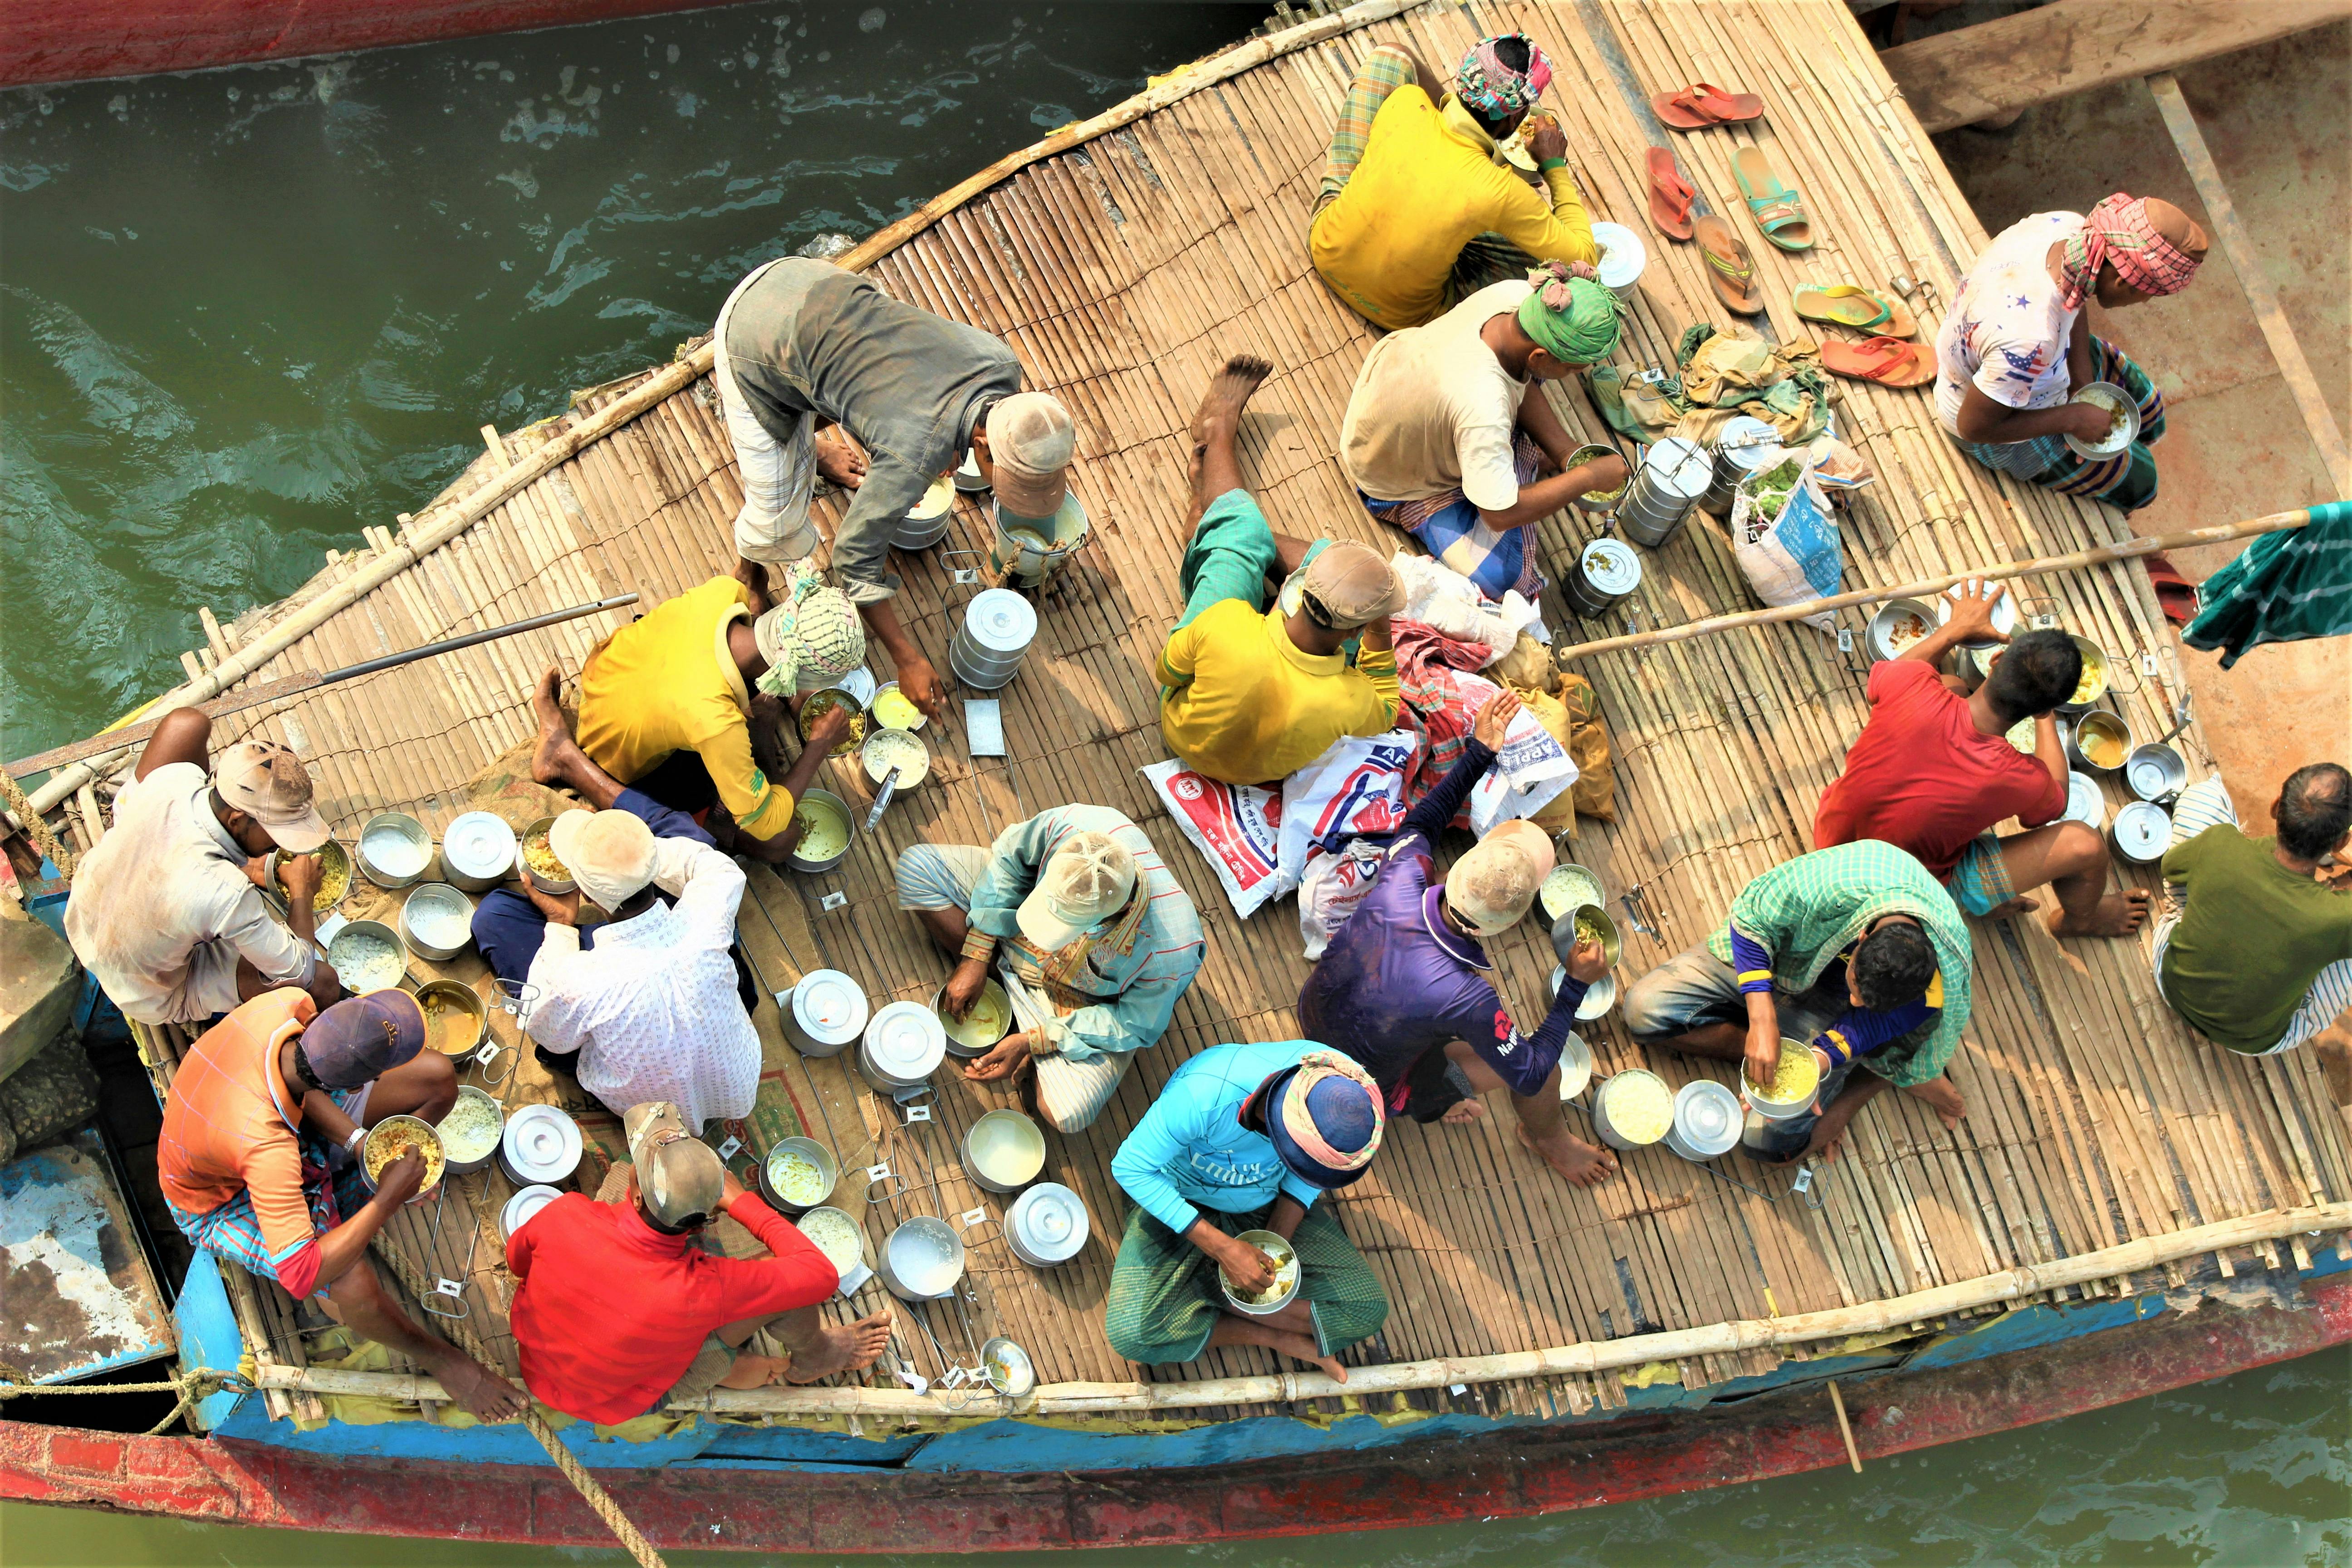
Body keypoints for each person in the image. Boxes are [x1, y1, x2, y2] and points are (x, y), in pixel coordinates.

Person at [711, 254, 1078, 721]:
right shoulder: (915, 454)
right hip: (754, 336)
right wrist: (906, 658)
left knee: (848, 386)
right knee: (777, 516)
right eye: (1010, 478)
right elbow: (852, 558)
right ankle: (751, 571)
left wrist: (947, 440)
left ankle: (811, 446)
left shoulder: (1001, 365)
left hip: (815, 283)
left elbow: (905, 388)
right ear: (983, 445)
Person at [156, 987, 524, 1422]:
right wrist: (388, 1199)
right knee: (351, 1283)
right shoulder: (267, 1148)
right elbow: (301, 1272)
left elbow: (302, 1085)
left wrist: (361, 1144)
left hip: (265, 1122)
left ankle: (351, 1188)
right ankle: (442, 1360)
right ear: (354, 1086)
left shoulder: (288, 1005)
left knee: (440, 1079)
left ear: (314, 1024)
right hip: (219, 1198)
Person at [1299, 690, 1617, 1187]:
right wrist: (1575, 985)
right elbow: (1530, 1072)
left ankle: (1436, 1085)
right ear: (1505, 926)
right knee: (1548, 1072)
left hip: (1314, 1012)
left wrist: (1481, 751)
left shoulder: (1404, 873)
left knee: (1438, 1016)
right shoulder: (1469, 998)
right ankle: (1544, 1138)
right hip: (1364, 1083)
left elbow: (1423, 821)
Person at [473, 669, 763, 1132]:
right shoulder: (705, 919)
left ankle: (565, 758)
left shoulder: (580, 981)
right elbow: (717, 870)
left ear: (586, 892)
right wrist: (639, 854)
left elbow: (550, 1033)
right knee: (694, 843)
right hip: (735, 1087)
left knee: (495, 915)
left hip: (647, 1112)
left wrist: (561, 926)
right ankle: (570, 761)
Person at [506, 1102, 893, 1423]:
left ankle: (727, 1363)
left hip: (539, 1369)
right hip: (623, 1400)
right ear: (708, 1220)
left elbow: (517, 1262)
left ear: (636, 1196)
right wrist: (741, 1202)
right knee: (785, 1294)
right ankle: (802, 1355)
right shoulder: (706, 1287)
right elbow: (819, 1274)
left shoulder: (568, 1213)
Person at [1814, 580, 2149, 937]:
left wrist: (1956, 628)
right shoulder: (2019, 777)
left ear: (1996, 660)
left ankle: (1987, 894)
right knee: (2085, 844)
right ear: (2045, 708)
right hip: (1901, 896)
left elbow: (1887, 675)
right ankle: (2081, 921)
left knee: (1953, 685)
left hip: (1833, 844)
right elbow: (2054, 804)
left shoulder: (1909, 683)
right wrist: (2045, 717)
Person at [1621, 841, 1975, 1163]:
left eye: (1867, 1001)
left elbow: (1875, 1023)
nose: (1856, 1001)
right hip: (1784, 955)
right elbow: (1751, 919)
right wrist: (1762, 1020)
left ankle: (1868, 1080)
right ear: (1863, 936)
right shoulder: (1840, 884)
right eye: (1856, 986)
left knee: (1770, 1146)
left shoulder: (1936, 984)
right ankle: (1771, 1053)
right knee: (1644, 1011)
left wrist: (1818, 1061)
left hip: (1832, 1009)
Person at [1157, 357, 1406, 786]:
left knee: (1249, 532)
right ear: (1356, 634)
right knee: (1324, 552)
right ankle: (1217, 525)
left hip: (1182, 732)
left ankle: (1218, 460)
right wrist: (1379, 629)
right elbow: (1388, 710)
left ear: (1295, 591)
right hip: (1250, 775)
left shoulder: (1227, 624)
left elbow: (1169, 673)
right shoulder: (1350, 699)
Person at [895, 805, 1203, 1133]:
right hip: (1012, 932)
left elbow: (1133, 1023)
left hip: (1073, 1005)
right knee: (917, 868)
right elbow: (1010, 862)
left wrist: (1035, 1040)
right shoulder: (1075, 826)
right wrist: (976, 953)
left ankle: (1024, 1021)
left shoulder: (1171, 952)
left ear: (1118, 912)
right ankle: (995, 977)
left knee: (1068, 1113)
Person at [1339, 261, 1627, 602]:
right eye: (1573, 368)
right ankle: (1509, 471)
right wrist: (1587, 478)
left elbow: (1517, 379)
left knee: (1514, 394)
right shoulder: (1484, 407)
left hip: (1395, 388)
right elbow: (1500, 515)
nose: (1575, 373)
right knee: (1505, 577)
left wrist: (1566, 454)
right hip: (1390, 476)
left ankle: (1519, 466)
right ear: (1538, 357)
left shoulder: (1518, 297)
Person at [1105, 1042, 1387, 1382]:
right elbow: (1131, 1168)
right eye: (1297, 1160)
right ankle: (1270, 1334)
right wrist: (1223, 1250)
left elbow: (1308, 1178)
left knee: (1367, 1310)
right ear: (1270, 1120)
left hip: (1264, 1203)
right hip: (1180, 1199)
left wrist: (1274, 1244)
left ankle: (1216, 1292)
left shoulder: (1343, 1088)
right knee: (1133, 1335)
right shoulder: (1204, 1095)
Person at [66, 708, 343, 1026]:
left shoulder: (173, 780)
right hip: (149, 990)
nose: (282, 845)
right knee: (324, 983)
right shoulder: (228, 894)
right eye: (277, 832)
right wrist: (302, 891)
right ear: (237, 819)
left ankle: (245, 864)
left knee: (188, 724)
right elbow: (298, 970)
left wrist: (249, 866)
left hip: (86, 914)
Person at [1936, 193, 2207, 512]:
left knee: (2149, 408)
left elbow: (2075, 296)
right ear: (2122, 282)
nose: (2145, 303)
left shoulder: (2073, 230)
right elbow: (1974, 427)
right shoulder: (2030, 339)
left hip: (2027, 361)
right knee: (2142, 483)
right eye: (2148, 295)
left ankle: (2125, 440)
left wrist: (2081, 382)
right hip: (1993, 421)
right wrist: (2074, 418)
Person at [1308, 34, 1600, 332]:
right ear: (1516, 119)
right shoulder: (1505, 193)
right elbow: (1584, 259)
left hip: (1326, 250)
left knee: (1392, 55)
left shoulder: (1406, 101)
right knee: (1555, 267)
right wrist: (1554, 166)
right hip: (1402, 315)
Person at [573, 565, 858, 865]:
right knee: (781, 841)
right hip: (612, 751)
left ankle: (762, 717)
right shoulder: (718, 723)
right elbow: (765, 824)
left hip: (609, 678)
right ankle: (712, 818)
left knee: (748, 697)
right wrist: (820, 744)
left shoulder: (726, 591)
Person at [2154, 767, 2352, 1102]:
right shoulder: (2338, 918)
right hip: (2253, 1040)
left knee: (2203, 797)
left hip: (2171, 982)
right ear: (2341, 842)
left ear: (2276, 807)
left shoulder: (2220, 844)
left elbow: (2171, 867)